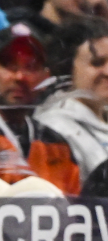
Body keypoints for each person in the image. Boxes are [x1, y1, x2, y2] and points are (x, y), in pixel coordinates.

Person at [0, 24, 79, 193]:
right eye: (9, 66)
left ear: (45, 78)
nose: (20, 77)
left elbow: (76, 207)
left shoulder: (55, 141)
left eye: (31, 67)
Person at [34, 16, 108, 195]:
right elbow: (58, 206)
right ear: (67, 68)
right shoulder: (51, 129)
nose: (107, 71)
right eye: (97, 63)